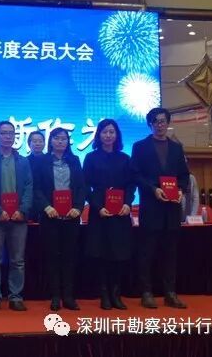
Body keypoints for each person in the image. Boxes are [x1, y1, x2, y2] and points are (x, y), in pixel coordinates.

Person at [130, 107, 190, 309]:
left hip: (172, 210)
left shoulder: (176, 148)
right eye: (156, 121)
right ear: (150, 124)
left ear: (168, 122)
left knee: (170, 254)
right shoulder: (140, 147)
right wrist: (153, 189)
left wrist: (181, 190)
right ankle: (146, 292)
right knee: (146, 253)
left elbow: (184, 175)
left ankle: (170, 293)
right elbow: (135, 174)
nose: (160, 124)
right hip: (151, 206)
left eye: (163, 121)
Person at [0, 121, 33, 312]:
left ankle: (15, 297)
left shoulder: (23, 161)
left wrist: (22, 210)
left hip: (19, 218)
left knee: (17, 260)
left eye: (11, 133)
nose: (8, 136)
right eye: (3, 133)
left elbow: (29, 187)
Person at [82, 119, 134, 310]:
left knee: (118, 254)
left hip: (120, 212)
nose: (108, 135)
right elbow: (85, 186)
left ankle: (116, 294)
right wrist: (97, 207)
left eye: (112, 132)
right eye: (104, 132)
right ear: (99, 135)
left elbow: (131, 184)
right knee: (102, 254)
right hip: (100, 212)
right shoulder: (91, 158)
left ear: (117, 135)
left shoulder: (125, 158)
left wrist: (128, 203)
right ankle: (104, 295)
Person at [34, 127, 85, 311]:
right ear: (51, 141)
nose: (60, 141)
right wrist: (47, 207)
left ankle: (69, 296)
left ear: (68, 141)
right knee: (52, 257)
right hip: (50, 216)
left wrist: (78, 208)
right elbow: (36, 188)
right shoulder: (42, 161)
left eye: (64, 138)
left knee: (70, 257)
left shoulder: (75, 160)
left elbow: (81, 187)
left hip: (71, 216)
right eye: (56, 138)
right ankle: (55, 296)